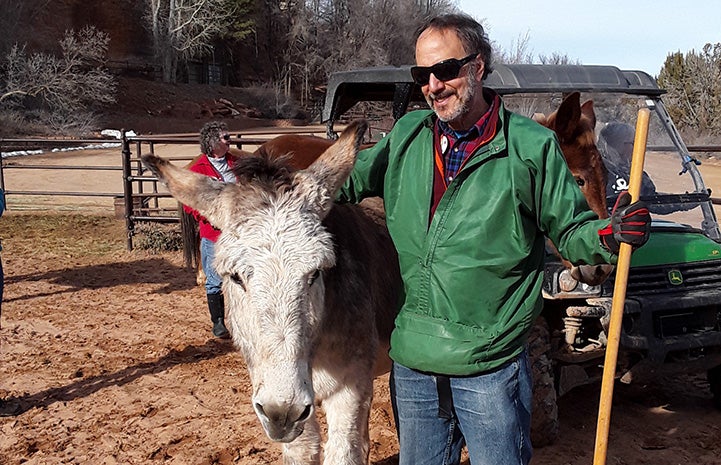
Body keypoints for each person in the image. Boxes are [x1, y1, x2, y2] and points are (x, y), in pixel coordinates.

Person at [337, 13, 651, 465]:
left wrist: (608, 233)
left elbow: (570, 228)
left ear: (478, 67)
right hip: (414, 366)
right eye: (421, 75)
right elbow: (337, 184)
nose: (433, 85)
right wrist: (265, 185)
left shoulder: (528, 146)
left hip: (490, 367)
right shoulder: (406, 137)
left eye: (445, 70)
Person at [184, 121, 237, 339]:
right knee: (214, 279)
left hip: (236, 232)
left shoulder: (238, 163)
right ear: (213, 142)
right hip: (213, 232)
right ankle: (218, 322)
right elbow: (189, 202)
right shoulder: (199, 170)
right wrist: (207, 217)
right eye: (226, 138)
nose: (230, 141)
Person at [599, 122, 657, 199]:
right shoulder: (599, 172)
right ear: (618, 144)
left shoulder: (634, 173)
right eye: (633, 143)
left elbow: (653, 199)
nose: (636, 148)